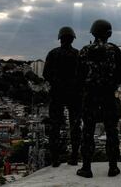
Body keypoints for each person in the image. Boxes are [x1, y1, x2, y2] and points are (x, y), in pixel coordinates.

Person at [76, 19, 121, 178]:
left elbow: (78, 75)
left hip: (90, 96)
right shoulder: (115, 50)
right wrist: (111, 84)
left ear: (93, 32)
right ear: (109, 34)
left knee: (88, 132)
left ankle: (86, 167)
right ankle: (113, 167)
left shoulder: (84, 50)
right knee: (112, 132)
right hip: (108, 96)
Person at [43, 26, 81, 167]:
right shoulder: (78, 54)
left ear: (60, 39)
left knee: (55, 126)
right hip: (74, 94)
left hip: (57, 93)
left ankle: (55, 159)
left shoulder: (53, 54)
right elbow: (83, 74)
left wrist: (56, 82)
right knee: (75, 126)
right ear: (72, 39)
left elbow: (46, 74)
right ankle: (74, 157)